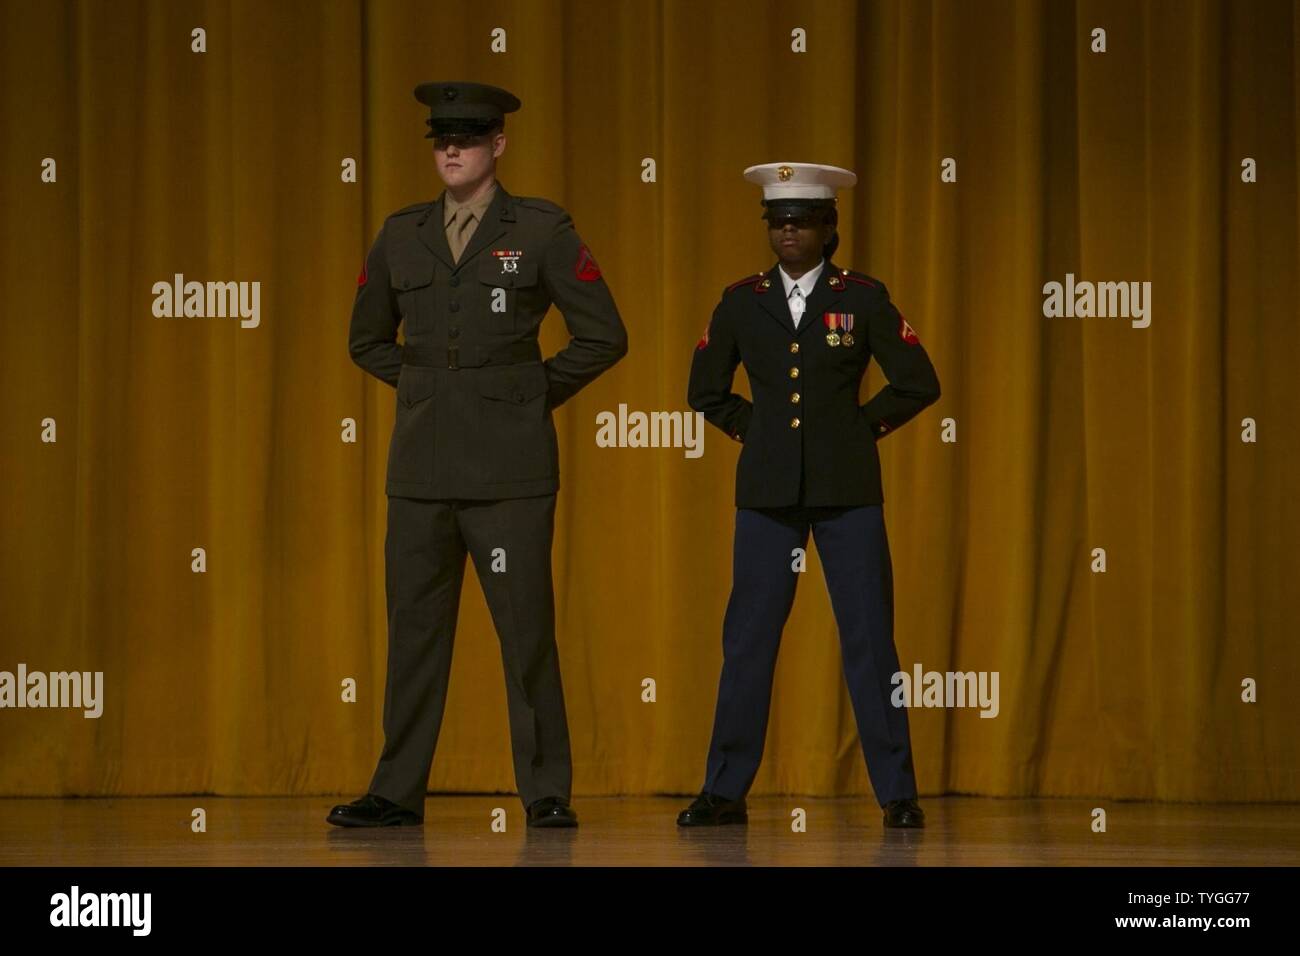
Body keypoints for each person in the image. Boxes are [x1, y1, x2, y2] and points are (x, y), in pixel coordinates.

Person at [330, 81, 627, 828]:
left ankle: (546, 792)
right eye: (440, 139)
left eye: (467, 137)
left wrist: (525, 394)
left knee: (526, 632)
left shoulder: (541, 229)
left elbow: (604, 336)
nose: (451, 150)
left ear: (499, 144)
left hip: (511, 473)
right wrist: (433, 388)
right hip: (422, 471)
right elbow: (366, 339)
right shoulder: (402, 233)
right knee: (414, 636)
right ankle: (395, 791)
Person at [680, 162, 940, 829]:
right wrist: (755, 430)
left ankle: (897, 793)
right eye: (777, 221)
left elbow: (917, 380)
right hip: (767, 492)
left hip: (847, 489)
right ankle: (724, 790)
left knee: (870, 640)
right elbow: (705, 389)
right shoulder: (741, 300)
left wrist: (861, 429)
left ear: (830, 228)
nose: (788, 232)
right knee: (748, 641)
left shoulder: (864, 297)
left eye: (801, 221)